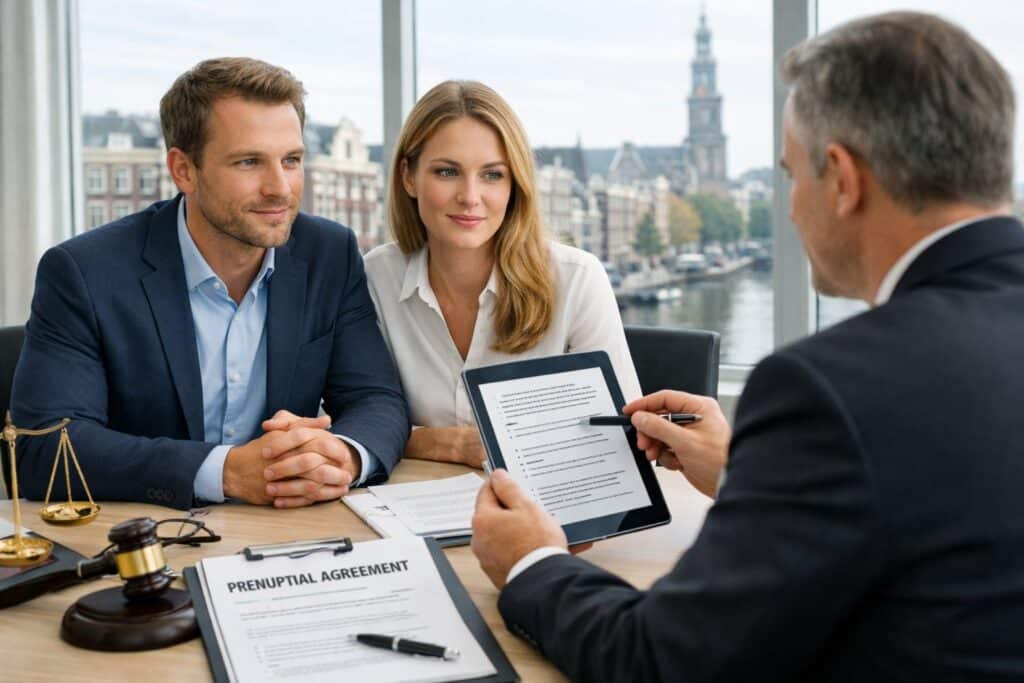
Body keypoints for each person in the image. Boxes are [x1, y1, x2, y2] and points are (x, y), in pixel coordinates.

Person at [471, 12, 1024, 681]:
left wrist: (534, 561)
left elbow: (660, 662)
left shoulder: (829, 389)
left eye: (791, 175)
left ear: (843, 179)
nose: (788, 209)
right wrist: (754, 474)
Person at [12, 58, 409, 510]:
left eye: (292, 160)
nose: (280, 187)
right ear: (183, 170)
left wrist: (345, 456)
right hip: (148, 537)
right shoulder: (83, 271)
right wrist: (226, 471)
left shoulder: (330, 254)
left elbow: (374, 397)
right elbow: (45, 449)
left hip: (290, 528)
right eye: (248, 162)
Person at [365, 80, 640, 467]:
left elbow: (617, 436)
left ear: (516, 184)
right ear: (409, 176)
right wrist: (454, 445)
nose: (470, 196)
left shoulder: (576, 279)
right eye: (447, 172)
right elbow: (351, 423)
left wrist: (414, 440)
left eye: (493, 175)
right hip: (406, 514)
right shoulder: (375, 278)